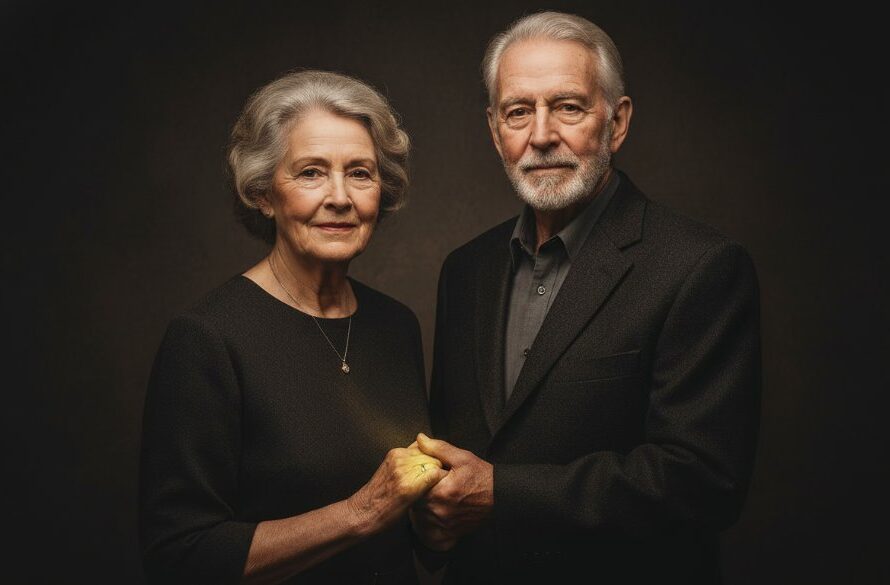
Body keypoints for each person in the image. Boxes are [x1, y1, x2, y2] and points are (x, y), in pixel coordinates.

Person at [411, 11, 762, 584]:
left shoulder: (699, 266)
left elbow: (704, 482)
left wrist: (503, 493)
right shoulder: (465, 271)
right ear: (494, 130)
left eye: (568, 106)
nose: (541, 134)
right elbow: (456, 453)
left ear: (617, 123)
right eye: (518, 111)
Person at [139, 70, 447, 584]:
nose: (340, 197)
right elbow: (180, 555)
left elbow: (409, 525)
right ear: (263, 193)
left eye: (360, 173)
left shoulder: (396, 326)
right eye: (310, 172)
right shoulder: (207, 338)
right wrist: (359, 514)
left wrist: (437, 523)